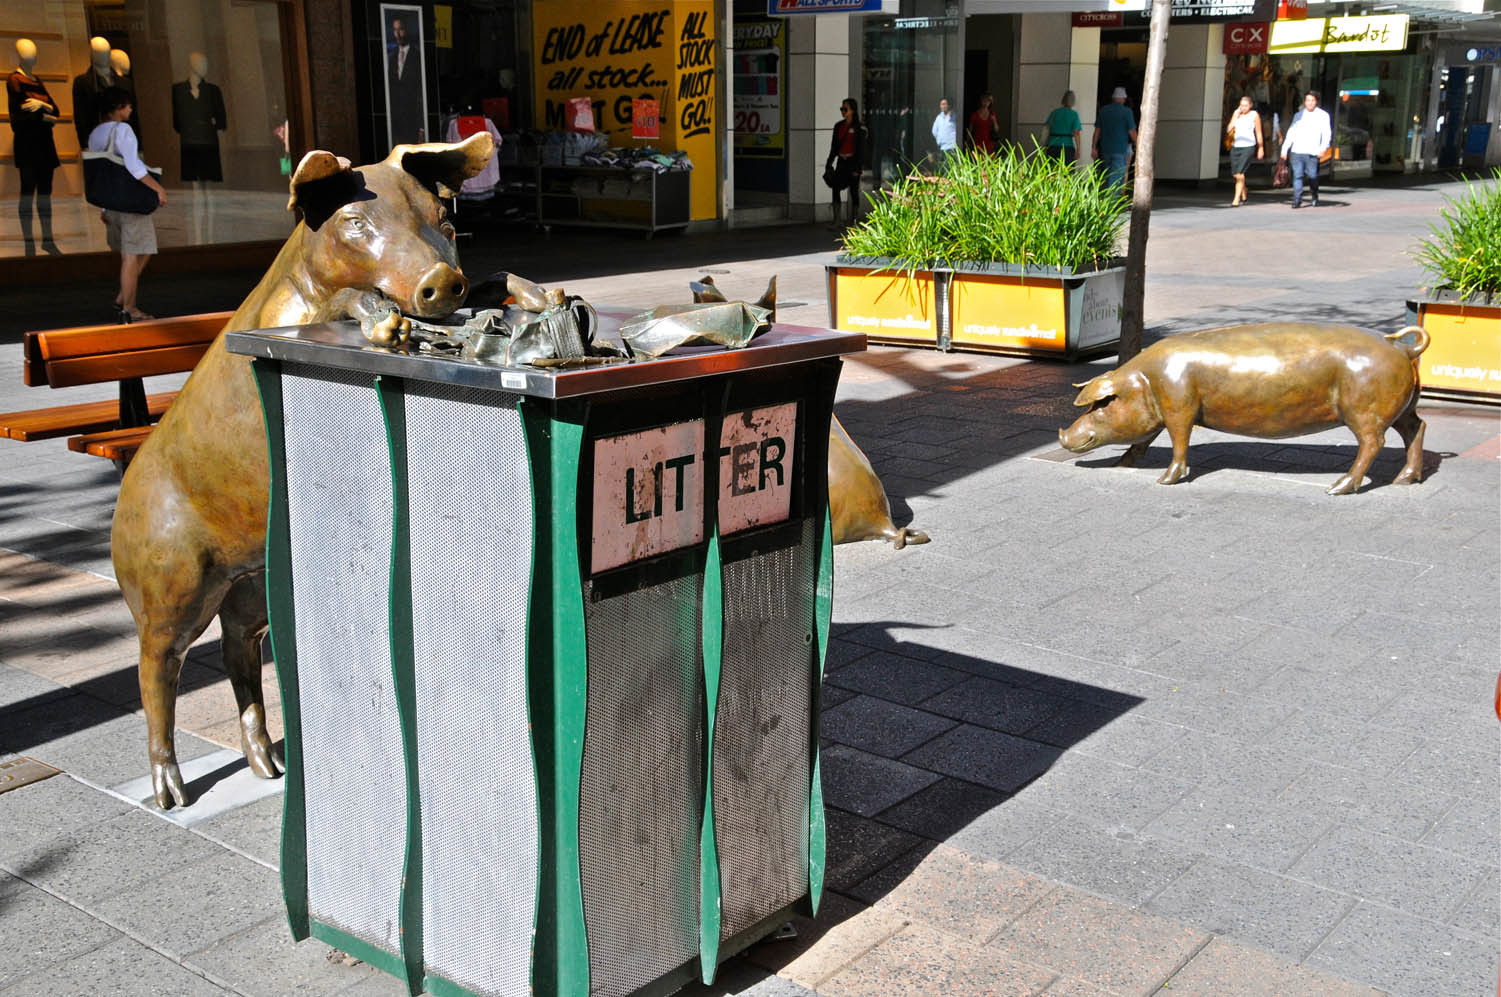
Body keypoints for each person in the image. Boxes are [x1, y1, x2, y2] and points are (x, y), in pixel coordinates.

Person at [88, 87, 166, 322]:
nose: (131, 109)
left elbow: (101, 173)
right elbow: (134, 167)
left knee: (134, 252)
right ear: (118, 108)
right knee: (134, 254)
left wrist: (103, 208)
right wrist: (158, 189)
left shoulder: (96, 134)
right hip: (130, 203)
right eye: (128, 105)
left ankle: (124, 296)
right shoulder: (124, 130)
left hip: (110, 204)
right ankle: (130, 308)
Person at [8, 38, 61, 255]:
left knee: (45, 192)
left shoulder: (37, 80)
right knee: (28, 191)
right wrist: (47, 117)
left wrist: (42, 106)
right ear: (20, 55)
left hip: (44, 144)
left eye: (34, 53)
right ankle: (29, 242)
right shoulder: (14, 80)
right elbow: (22, 117)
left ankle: (47, 238)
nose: (33, 57)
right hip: (28, 143)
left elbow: (55, 111)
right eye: (28, 53)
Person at [1279, 90, 1331, 209]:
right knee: (1298, 176)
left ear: (1316, 102)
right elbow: (1291, 133)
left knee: (1312, 176)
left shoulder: (1323, 115)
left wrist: (1323, 147)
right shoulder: (1298, 115)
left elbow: (1327, 133)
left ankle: (1314, 194)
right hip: (1297, 151)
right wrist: (1284, 149)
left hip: (1312, 152)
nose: (1310, 103)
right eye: (1308, 100)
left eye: (1312, 100)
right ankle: (1297, 200)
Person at [826, 98, 866, 229]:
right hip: (841, 162)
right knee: (836, 188)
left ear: (852, 111)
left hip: (853, 163)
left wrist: (857, 168)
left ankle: (853, 221)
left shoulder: (859, 128)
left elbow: (861, 150)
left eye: (845, 109)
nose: (843, 111)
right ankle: (837, 220)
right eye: (841, 109)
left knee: (854, 191)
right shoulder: (838, 126)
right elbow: (834, 147)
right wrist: (829, 163)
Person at [387, 16, 424, 146]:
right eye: (395, 30)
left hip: (412, 119)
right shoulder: (391, 58)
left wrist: (421, 126)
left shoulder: (417, 56)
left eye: (401, 29)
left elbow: (420, 91)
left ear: (407, 30)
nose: (397, 34)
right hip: (397, 120)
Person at [1093, 86, 1137, 189]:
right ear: (1123, 98)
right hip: (1120, 149)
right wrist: (1138, 144)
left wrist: (1094, 147)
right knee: (1117, 177)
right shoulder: (1127, 112)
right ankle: (1112, 201)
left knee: (1107, 174)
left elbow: (1097, 130)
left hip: (1105, 149)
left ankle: (1104, 200)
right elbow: (1132, 131)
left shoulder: (1103, 110)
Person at [1226, 95, 1263, 206]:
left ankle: (1236, 199)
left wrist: (1260, 148)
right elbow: (1228, 129)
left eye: (1246, 105)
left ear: (1250, 105)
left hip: (1248, 146)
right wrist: (1235, 116)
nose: (1243, 108)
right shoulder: (1236, 113)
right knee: (1235, 174)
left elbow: (1258, 132)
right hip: (1236, 146)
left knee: (1240, 173)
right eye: (1241, 105)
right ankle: (1243, 189)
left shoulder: (1254, 115)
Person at [1043, 90, 1082, 165]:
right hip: (1067, 146)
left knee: (1051, 171)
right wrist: (1078, 150)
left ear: (1063, 100)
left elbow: (1047, 129)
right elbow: (1076, 133)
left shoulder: (1055, 112)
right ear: (1073, 102)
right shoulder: (1074, 114)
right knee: (1066, 172)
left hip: (1052, 144)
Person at [931, 96, 956, 167]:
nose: (943, 106)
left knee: (950, 168)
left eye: (945, 104)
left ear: (949, 105)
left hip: (951, 147)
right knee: (942, 168)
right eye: (941, 104)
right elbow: (934, 131)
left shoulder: (954, 116)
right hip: (941, 148)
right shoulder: (939, 117)